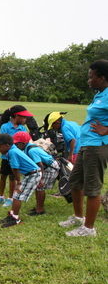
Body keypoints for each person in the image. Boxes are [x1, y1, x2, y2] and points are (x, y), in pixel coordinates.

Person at [60, 60, 108, 237]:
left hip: (98, 146)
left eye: (91, 77)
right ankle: (78, 217)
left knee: (92, 188)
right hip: (87, 144)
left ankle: (89, 228)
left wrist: (107, 130)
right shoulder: (100, 94)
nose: (89, 80)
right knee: (75, 181)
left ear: (102, 78)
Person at [0, 133, 42, 228]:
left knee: (18, 195)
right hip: (30, 174)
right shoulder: (12, 150)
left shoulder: (12, 152)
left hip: (33, 174)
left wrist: (18, 183)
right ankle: (12, 215)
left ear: (7, 145)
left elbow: (15, 169)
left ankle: (15, 219)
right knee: (16, 195)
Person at [0, 105, 34, 208]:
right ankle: (1, 196)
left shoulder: (23, 128)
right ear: (16, 116)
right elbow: (2, 141)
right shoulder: (5, 127)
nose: (25, 119)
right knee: (3, 176)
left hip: (17, 158)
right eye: (23, 117)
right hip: (6, 157)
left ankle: (11, 197)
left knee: (13, 177)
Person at [13, 131, 60, 216]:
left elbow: (40, 165)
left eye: (17, 144)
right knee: (38, 188)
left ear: (23, 143)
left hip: (50, 168)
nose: (16, 146)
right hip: (46, 167)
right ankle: (38, 207)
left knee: (39, 187)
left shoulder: (31, 150)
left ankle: (40, 209)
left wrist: (40, 179)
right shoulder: (27, 148)